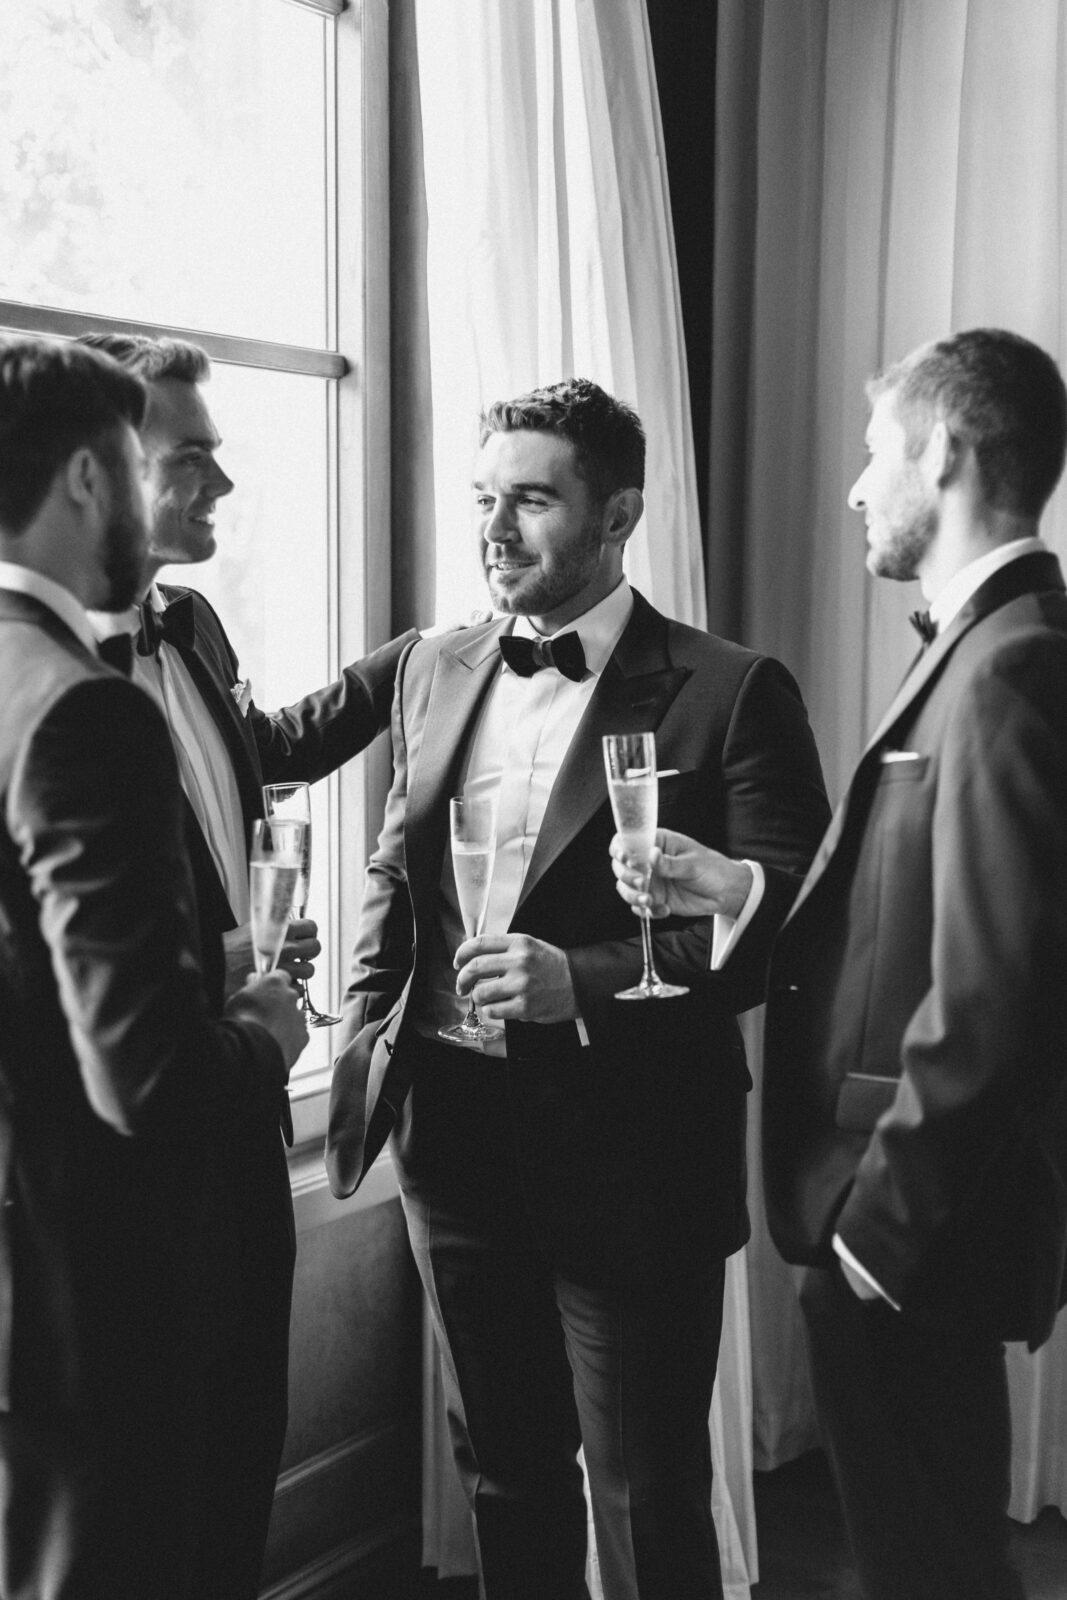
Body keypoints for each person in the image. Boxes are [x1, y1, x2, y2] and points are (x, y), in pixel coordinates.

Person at [326, 377, 829, 1599]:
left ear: (617, 516)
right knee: (504, 1476)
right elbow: (394, 869)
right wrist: (363, 1034)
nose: (494, 529)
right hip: (451, 1141)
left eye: (531, 501)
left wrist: (582, 984)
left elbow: (790, 933)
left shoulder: (728, 690)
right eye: (484, 498)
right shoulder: (437, 665)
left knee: (648, 1492)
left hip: (637, 1150)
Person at [611, 329, 1067, 1600]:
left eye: (874, 455)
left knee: (931, 1572)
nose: (857, 488)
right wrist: (739, 887)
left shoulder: (1014, 662)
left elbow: (1000, 992)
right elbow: (910, 918)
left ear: (942, 449)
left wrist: (873, 1240)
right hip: (904, 1229)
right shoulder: (987, 646)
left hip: (910, 1234)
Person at [74, 330, 420, 1597]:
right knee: (135, 1504)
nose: (222, 485)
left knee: (238, 1456)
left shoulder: (196, 625)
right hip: (122, 1151)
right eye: (193, 459)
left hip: (240, 1110)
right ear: (99, 467)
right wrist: (204, 963)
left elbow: (257, 750)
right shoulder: (42, 683)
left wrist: (404, 666)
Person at [0, 335, 307, 1598]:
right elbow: (148, 1078)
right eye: (143, 464)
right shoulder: (83, 708)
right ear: (86, 478)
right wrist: (263, 1030)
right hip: (103, 1281)